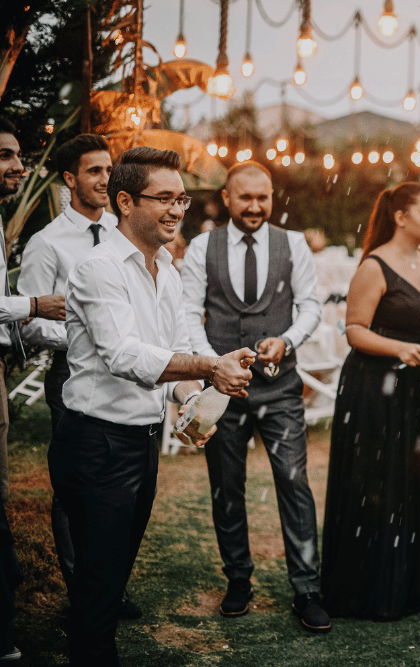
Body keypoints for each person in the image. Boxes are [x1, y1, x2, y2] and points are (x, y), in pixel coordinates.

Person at [49, 146, 253, 666]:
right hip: (95, 444)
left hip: (140, 444)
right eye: (163, 198)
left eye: (181, 198)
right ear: (124, 201)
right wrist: (209, 369)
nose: (176, 210)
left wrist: (196, 400)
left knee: (112, 581)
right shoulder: (98, 268)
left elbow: (184, 338)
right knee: (98, 593)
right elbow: (125, 356)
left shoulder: (167, 265)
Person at [179, 162, 328, 632]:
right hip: (223, 393)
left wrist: (286, 340)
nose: (256, 207)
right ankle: (238, 579)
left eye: (263, 197)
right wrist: (213, 366)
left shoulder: (295, 244)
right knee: (226, 487)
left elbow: (311, 306)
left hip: (281, 388)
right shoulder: (202, 247)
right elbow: (187, 313)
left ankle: (307, 589)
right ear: (227, 197)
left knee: (293, 482)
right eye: (246, 198)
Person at [17, 133, 147, 619]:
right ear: (69, 178)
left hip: (130, 370)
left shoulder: (123, 231)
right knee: (78, 486)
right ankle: (82, 589)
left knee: (126, 489)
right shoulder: (46, 243)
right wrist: (89, 336)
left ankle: (107, 584)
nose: (105, 179)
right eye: (94, 171)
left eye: (109, 169)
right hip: (73, 374)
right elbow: (29, 326)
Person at [321, 182, 420, 620]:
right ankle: (375, 585)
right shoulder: (374, 266)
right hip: (376, 389)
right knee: (382, 484)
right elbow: (355, 330)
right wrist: (398, 348)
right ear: (400, 217)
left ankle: (417, 582)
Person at [0, 116, 66, 663]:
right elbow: (27, 310)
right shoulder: (49, 242)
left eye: (18, 156)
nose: (19, 167)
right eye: (5, 156)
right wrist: (34, 306)